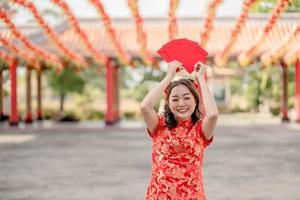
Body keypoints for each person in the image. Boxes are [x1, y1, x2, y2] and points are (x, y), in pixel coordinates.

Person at [140, 60, 219, 200]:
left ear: (195, 101)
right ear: (169, 104)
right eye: (175, 99)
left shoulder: (200, 129)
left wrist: (201, 78)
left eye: (187, 98)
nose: (181, 104)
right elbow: (145, 106)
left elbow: (212, 114)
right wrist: (169, 76)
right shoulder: (158, 125)